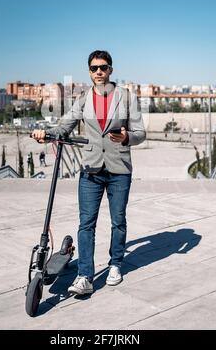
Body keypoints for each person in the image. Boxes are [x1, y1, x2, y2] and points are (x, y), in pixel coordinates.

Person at [32, 50, 146, 295]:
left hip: (119, 169)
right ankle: (85, 275)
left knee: (118, 221)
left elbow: (141, 133)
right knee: (86, 224)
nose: (99, 72)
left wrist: (127, 137)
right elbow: (65, 125)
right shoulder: (83, 99)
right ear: (89, 72)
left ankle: (116, 264)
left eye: (103, 67)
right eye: (94, 68)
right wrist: (46, 133)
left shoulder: (126, 97)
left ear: (111, 70)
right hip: (91, 169)